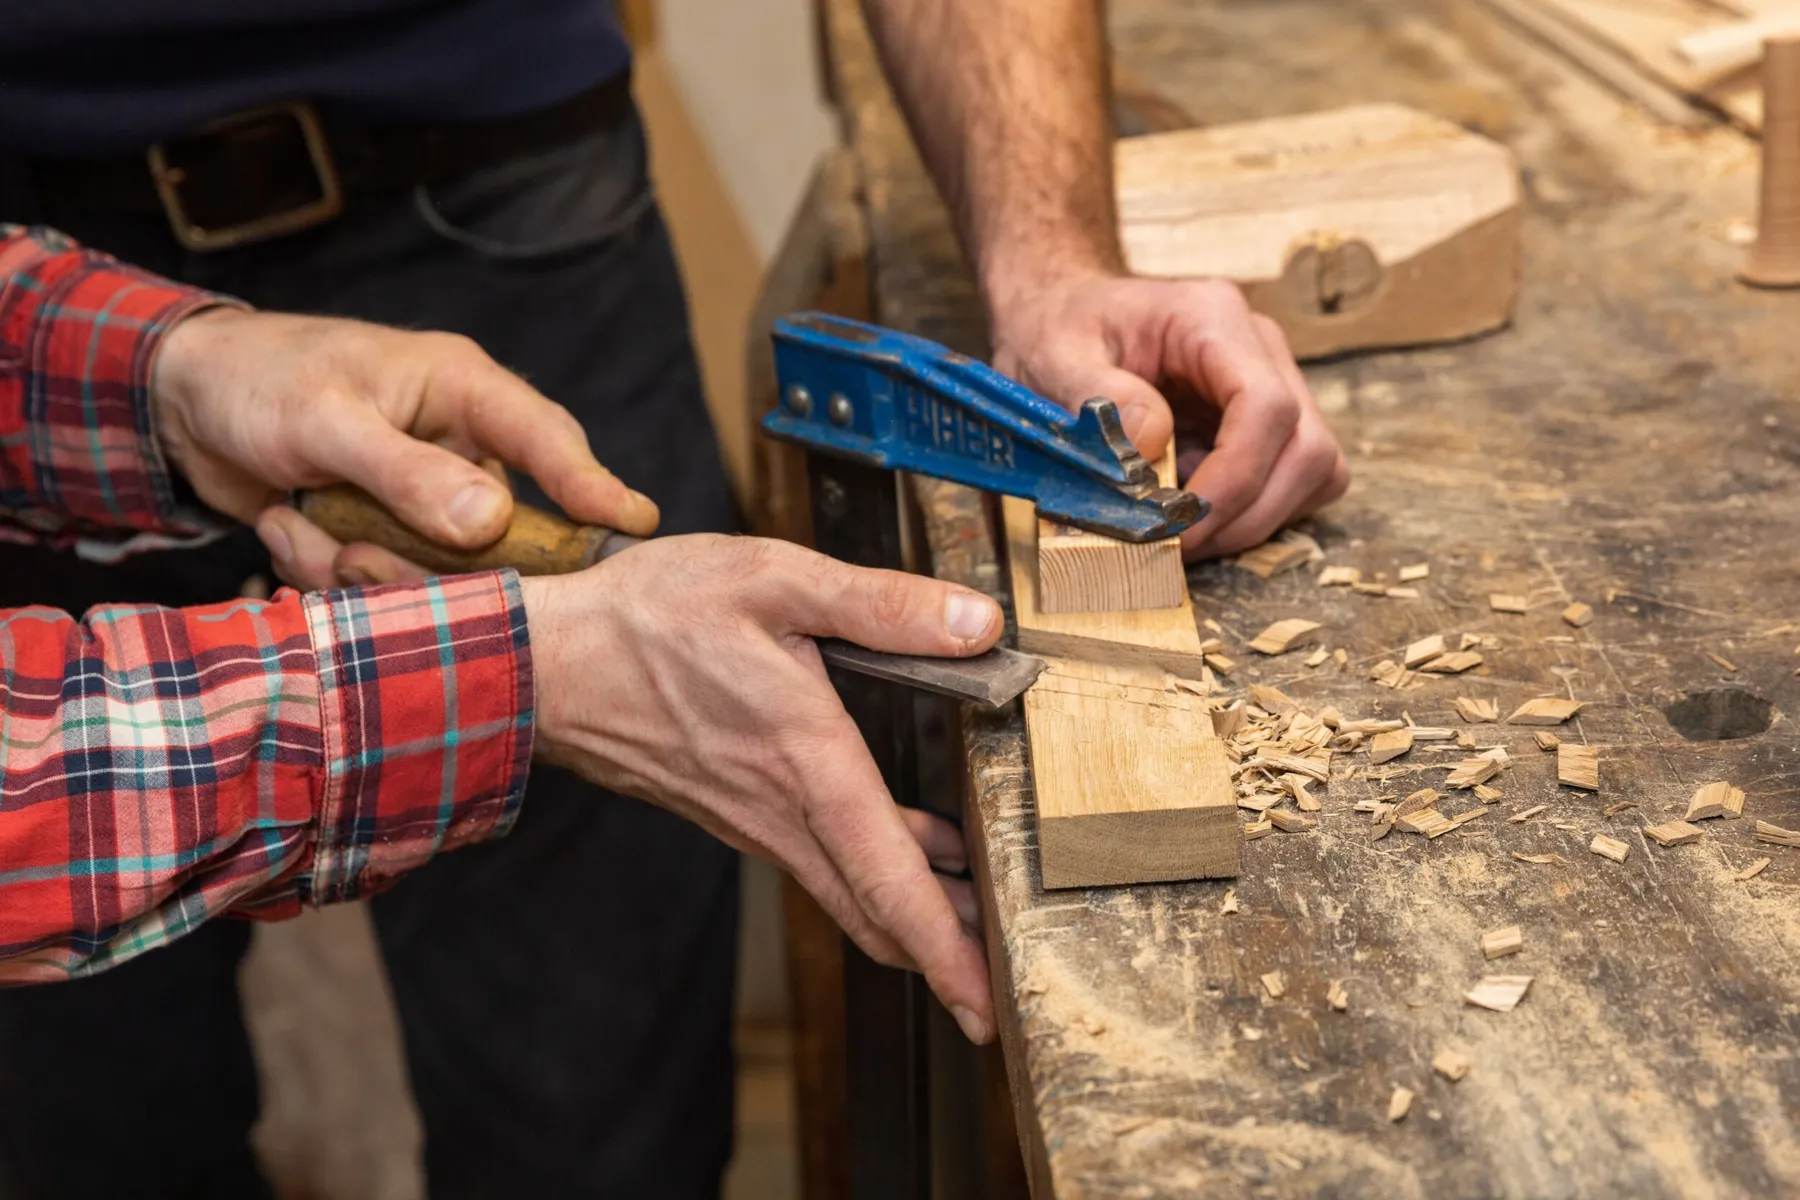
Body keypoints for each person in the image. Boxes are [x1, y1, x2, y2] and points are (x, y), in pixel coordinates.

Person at [0, 2, 1349, 1196]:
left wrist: (161, 367)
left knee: (589, 1106)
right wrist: (523, 673)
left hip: (472, 179)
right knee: (83, 1116)